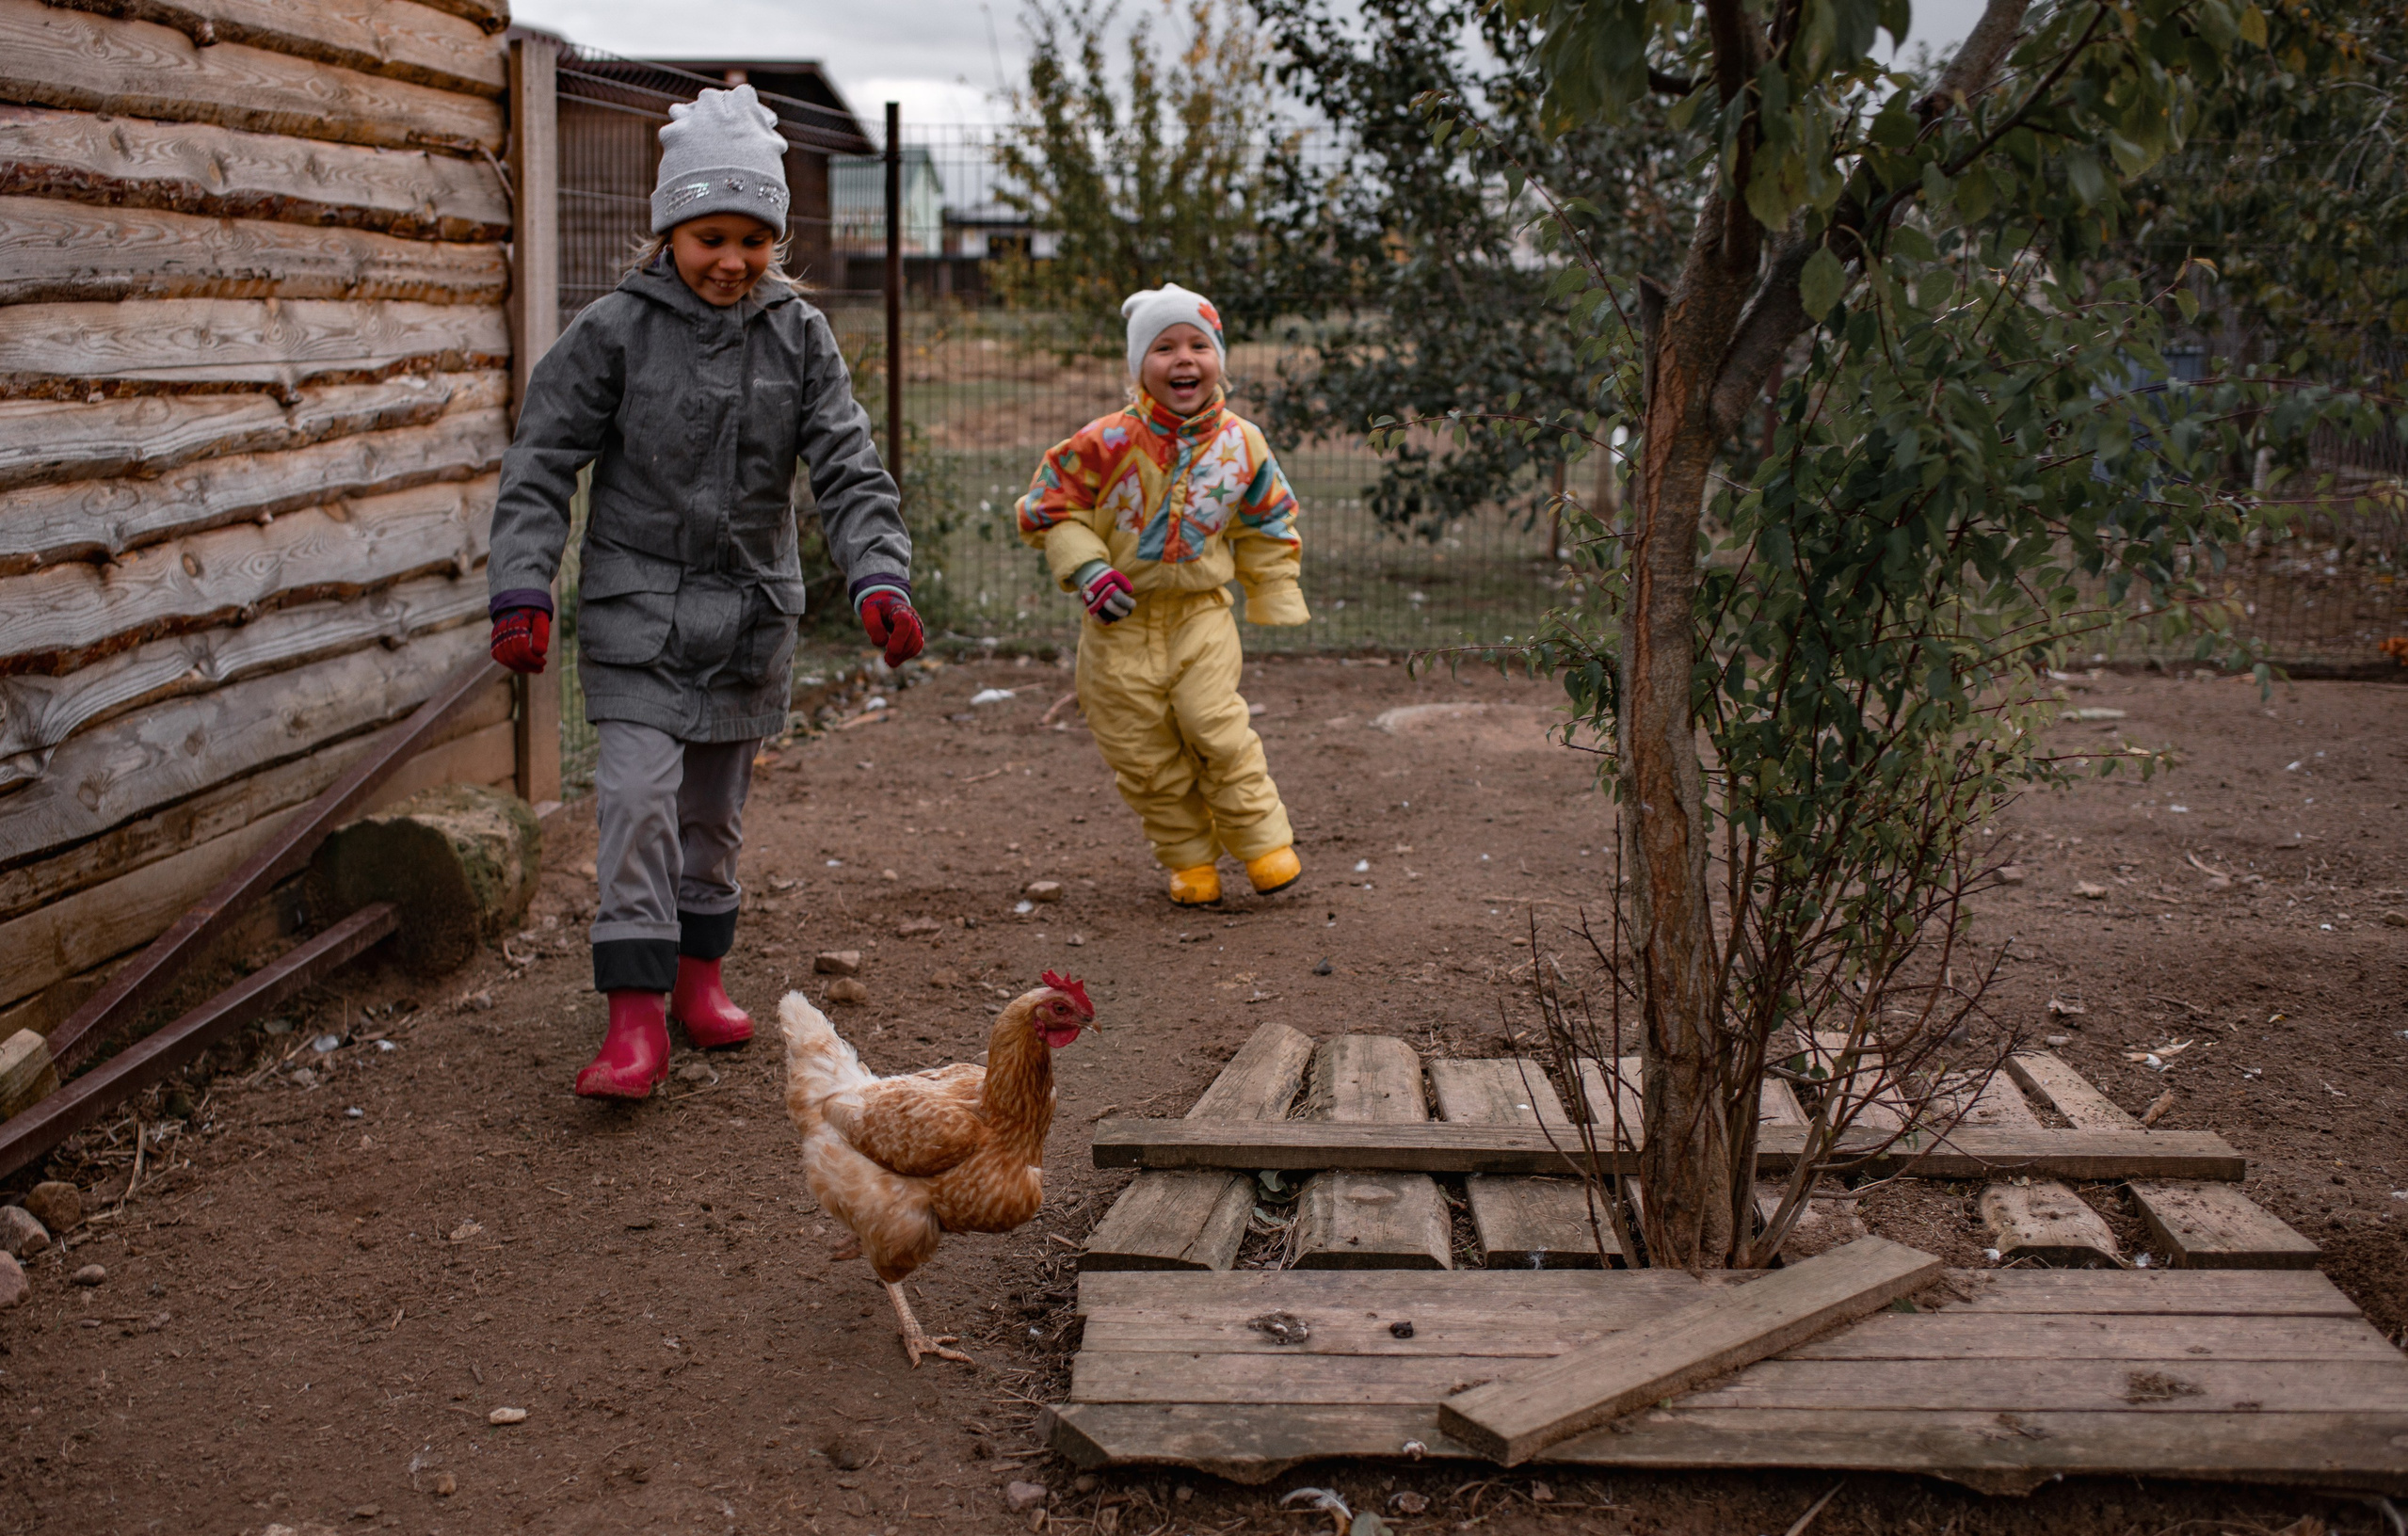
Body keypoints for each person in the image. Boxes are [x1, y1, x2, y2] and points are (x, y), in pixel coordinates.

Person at [485, 85, 923, 1099]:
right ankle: (632, 1021)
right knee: (636, 799)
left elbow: (850, 470)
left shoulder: (800, 337)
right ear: (669, 229)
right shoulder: (613, 332)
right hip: (638, 609)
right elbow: (542, 460)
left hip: (747, 618)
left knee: (713, 815)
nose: (731, 259)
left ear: (776, 238)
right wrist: (523, 587)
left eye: (753, 239)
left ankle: (697, 980)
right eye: (708, 235)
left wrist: (877, 576)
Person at [1016, 283, 1307, 905]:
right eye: (1164, 346)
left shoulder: (1242, 444)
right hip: (1118, 623)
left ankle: (1261, 842)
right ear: (1138, 365)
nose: (1183, 358)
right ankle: (1190, 861)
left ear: (1218, 359)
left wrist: (1273, 592)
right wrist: (1089, 569)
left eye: (1199, 344)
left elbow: (1269, 520)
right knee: (1141, 751)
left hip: (1201, 614)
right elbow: (1047, 507)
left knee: (1214, 724)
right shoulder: (1104, 441)